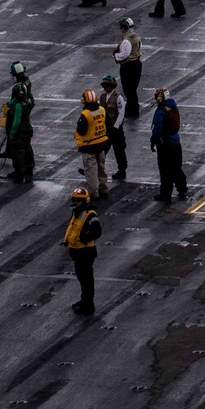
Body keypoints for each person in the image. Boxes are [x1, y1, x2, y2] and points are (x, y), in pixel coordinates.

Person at [63, 186, 101, 315]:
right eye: (75, 200)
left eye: (78, 200)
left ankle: (88, 305)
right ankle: (84, 301)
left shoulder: (90, 214)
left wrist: (84, 238)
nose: (75, 202)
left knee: (86, 280)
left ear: (85, 201)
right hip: (77, 251)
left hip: (85, 251)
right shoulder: (77, 212)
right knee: (82, 278)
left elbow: (97, 232)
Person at [150, 87, 188, 202]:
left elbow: (157, 128)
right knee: (176, 167)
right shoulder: (173, 108)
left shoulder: (161, 111)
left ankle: (165, 194)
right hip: (176, 141)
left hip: (165, 144)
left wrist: (154, 141)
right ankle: (182, 187)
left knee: (165, 170)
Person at [74, 89, 110, 200]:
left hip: (88, 147)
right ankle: (103, 189)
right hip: (101, 144)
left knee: (91, 171)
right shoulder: (102, 110)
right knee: (101, 168)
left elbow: (81, 130)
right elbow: (108, 123)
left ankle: (94, 193)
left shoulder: (85, 114)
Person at [2, 81, 34, 182]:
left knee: (18, 151)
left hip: (19, 132)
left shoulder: (18, 106)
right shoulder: (27, 102)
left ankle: (19, 171)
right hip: (27, 130)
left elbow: (16, 121)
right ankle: (29, 167)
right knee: (27, 147)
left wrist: (12, 133)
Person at [113, 17, 142, 120]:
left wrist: (116, 56)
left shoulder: (127, 40)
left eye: (122, 27)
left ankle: (132, 110)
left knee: (128, 89)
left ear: (125, 27)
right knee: (132, 89)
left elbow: (125, 54)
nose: (121, 30)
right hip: (136, 64)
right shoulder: (136, 36)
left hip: (129, 66)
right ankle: (132, 108)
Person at [100, 73, 127, 181]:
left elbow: (121, 113)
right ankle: (96, 168)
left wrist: (116, 127)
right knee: (102, 150)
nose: (105, 88)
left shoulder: (118, 97)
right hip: (105, 129)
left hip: (116, 130)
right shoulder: (102, 97)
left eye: (107, 85)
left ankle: (122, 170)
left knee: (119, 150)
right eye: (104, 85)